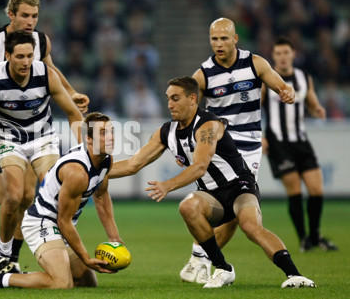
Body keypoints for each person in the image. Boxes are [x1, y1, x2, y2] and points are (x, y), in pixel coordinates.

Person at [109, 76, 315, 288]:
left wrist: (167, 185)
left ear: (192, 99)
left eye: (175, 98)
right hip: (212, 196)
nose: (170, 104)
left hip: (239, 187)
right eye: (168, 98)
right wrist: (96, 173)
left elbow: (200, 167)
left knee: (251, 226)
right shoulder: (166, 132)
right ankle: (223, 269)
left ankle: (295, 276)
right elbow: (133, 164)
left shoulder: (209, 126)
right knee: (188, 207)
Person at [0, 0, 89, 272]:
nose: (30, 21)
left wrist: (72, 93)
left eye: (35, 16)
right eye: (24, 15)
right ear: (11, 15)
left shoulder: (39, 42)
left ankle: (12, 252)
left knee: (29, 196)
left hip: (38, 131)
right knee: (14, 195)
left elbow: (49, 70)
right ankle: (4, 253)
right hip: (3, 126)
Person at [179, 17, 297, 284]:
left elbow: (280, 85)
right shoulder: (203, 74)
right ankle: (202, 259)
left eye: (223, 38)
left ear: (235, 39)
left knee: (234, 216)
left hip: (251, 147)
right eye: (214, 39)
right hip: (222, 150)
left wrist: (286, 91)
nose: (218, 44)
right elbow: (189, 109)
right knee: (232, 210)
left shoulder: (255, 63)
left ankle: (199, 257)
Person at [0, 112, 121, 289]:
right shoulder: (77, 172)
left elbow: (105, 193)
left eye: (112, 131)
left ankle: (26, 276)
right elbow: (64, 220)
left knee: (86, 282)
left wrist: (114, 237)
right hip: (41, 223)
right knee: (61, 283)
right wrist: (85, 258)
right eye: (104, 133)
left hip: (59, 225)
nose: (111, 137)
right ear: (88, 140)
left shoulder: (105, 160)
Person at [262, 37, 337, 252]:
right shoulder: (267, 80)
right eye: (278, 54)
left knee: (316, 190)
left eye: (286, 53)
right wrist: (261, 137)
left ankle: (315, 236)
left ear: (293, 54)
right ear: (273, 57)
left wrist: (318, 110)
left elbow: (311, 103)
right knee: (294, 190)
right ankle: (304, 239)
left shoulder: (304, 78)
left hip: (302, 141)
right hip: (278, 143)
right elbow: (256, 110)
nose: (282, 57)